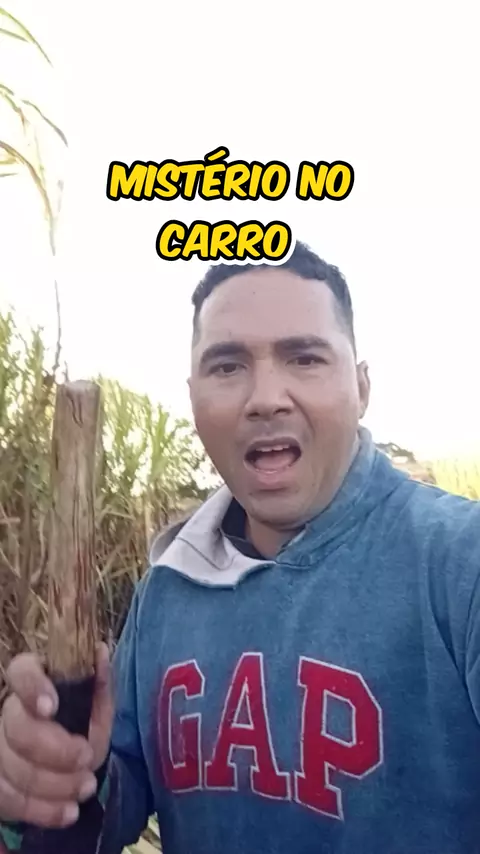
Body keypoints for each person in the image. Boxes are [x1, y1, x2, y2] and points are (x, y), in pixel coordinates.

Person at [1, 241, 480, 854]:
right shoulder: (168, 589)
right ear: (194, 396)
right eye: (227, 366)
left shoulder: (459, 566)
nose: (265, 398)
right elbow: (111, 802)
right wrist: (48, 778)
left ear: (361, 387)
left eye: (304, 358)